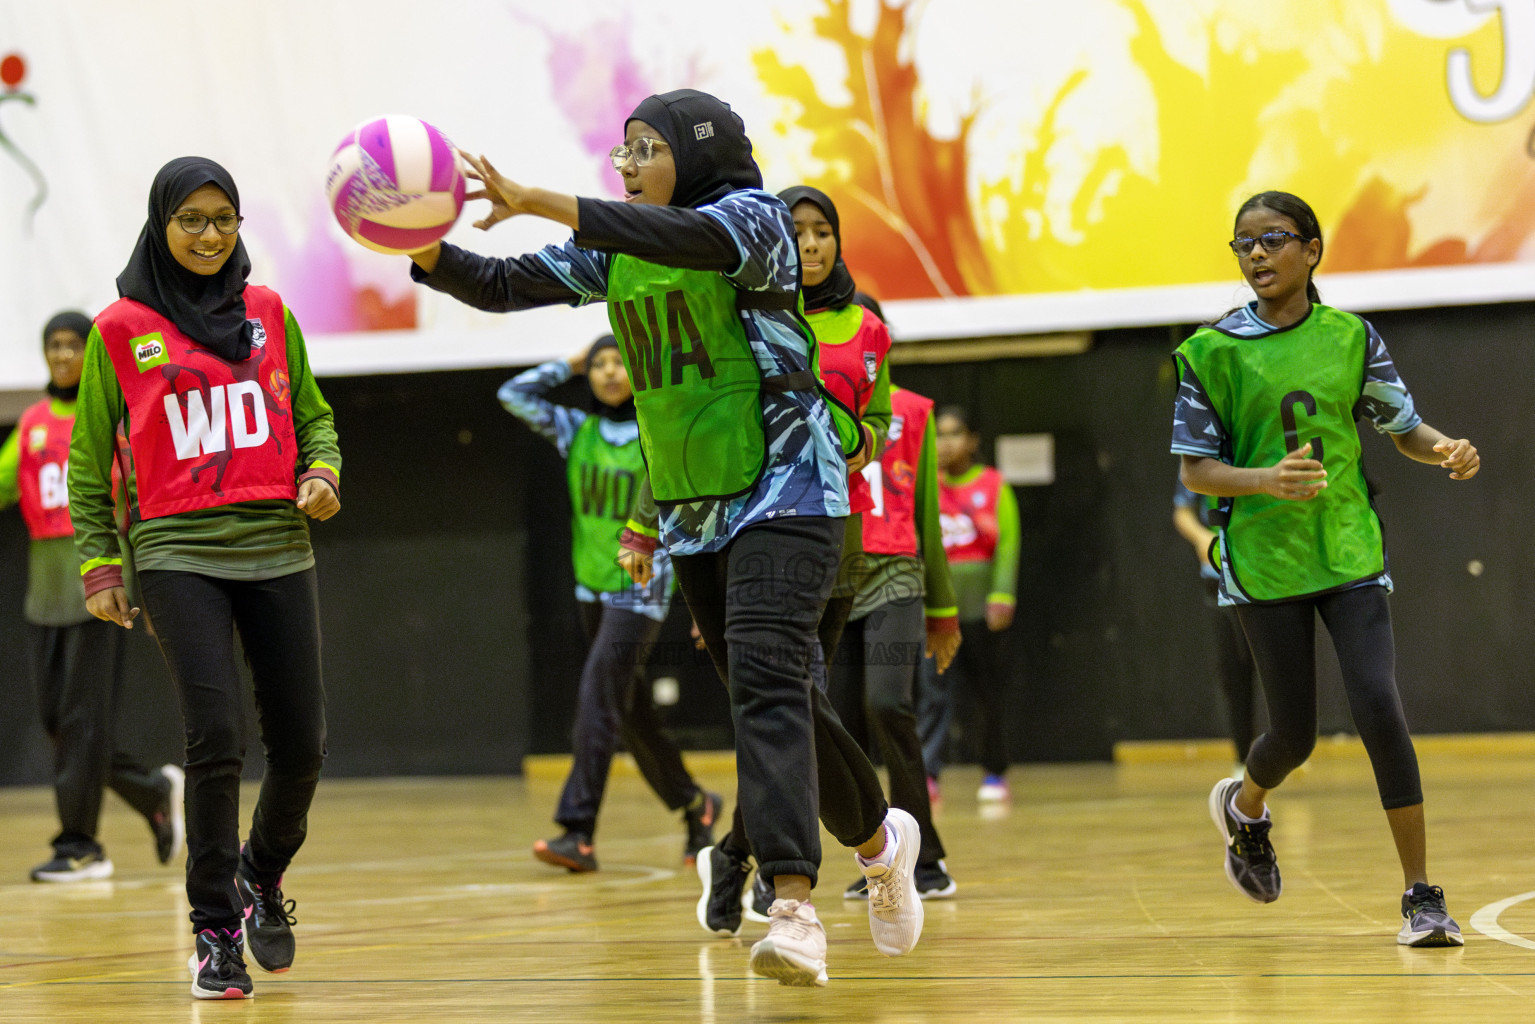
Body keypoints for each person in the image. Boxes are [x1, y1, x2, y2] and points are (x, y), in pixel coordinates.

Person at [404, 89, 921, 987]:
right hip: (691, 510)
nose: (628, 164)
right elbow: (500, 284)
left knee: (766, 682)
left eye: (646, 148)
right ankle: (881, 842)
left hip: (790, 488)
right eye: (623, 150)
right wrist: (419, 245)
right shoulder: (617, 250)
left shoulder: (754, 220)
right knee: (780, 692)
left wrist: (539, 198)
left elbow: (685, 237)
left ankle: (791, 906)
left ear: (697, 151)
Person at [1172, 190, 1477, 947]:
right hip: (1265, 561)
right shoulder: (1210, 352)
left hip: (1347, 550)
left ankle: (1421, 896)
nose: (1256, 253)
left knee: (1378, 704)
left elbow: (1402, 426)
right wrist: (1264, 480)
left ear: (1311, 250)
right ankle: (1245, 807)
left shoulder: (1350, 336)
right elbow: (1196, 472)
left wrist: (1442, 447)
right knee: (1294, 736)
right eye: (1243, 243)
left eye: (1273, 238)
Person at [70, 157, 342, 998]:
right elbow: (88, 460)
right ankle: (215, 932)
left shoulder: (269, 312)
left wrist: (322, 471)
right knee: (215, 740)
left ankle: (263, 869)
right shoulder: (120, 329)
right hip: (176, 552)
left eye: (224, 218)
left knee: (302, 744)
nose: (209, 234)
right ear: (161, 226)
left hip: (278, 543)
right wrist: (100, 564)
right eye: (191, 218)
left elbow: (313, 415)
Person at [700, 184, 895, 922]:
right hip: (753, 536)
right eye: (796, 231)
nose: (810, 244)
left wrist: (855, 440)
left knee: (799, 713)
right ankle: (772, 867)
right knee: (793, 705)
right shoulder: (743, 310)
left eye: (822, 231)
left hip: (832, 536)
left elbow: (880, 420)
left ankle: (737, 857)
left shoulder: (867, 326)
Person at [498, 334, 720, 871]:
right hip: (591, 586)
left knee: (598, 695)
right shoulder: (576, 429)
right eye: (599, 364)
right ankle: (697, 804)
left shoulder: (658, 429)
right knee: (629, 708)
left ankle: (578, 830)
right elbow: (512, 394)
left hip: (641, 585)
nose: (610, 371)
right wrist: (568, 363)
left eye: (620, 361)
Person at [0, 310, 183, 883]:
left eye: (73, 345)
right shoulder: (31, 423)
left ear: (92, 352)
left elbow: (143, 495)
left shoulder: (110, 418)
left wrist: (147, 586)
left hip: (98, 583)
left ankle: (80, 846)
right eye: (53, 344)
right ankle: (150, 791)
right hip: (44, 593)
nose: (62, 355)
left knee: (82, 722)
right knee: (60, 722)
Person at [831, 381, 962, 902]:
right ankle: (881, 858)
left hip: (895, 574)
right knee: (838, 725)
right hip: (831, 578)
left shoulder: (912, 410)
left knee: (888, 704)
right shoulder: (807, 394)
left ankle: (925, 857)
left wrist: (943, 610)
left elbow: (927, 509)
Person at [917, 406, 1020, 801]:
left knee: (987, 694)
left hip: (982, 612)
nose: (946, 443)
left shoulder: (993, 484)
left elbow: (1008, 544)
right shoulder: (927, 486)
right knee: (932, 695)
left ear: (973, 440)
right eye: (939, 435)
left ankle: (994, 771)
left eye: (955, 433)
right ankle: (928, 773)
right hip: (938, 613)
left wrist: (1002, 594)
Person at [1172, 478, 1260, 774]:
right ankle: (1243, 760)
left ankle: (1285, 745)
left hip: (1266, 570)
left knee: (1277, 666)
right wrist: (1202, 538)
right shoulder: (1199, 454)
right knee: (1234, 670)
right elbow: (1182, 511)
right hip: (1219, 576)